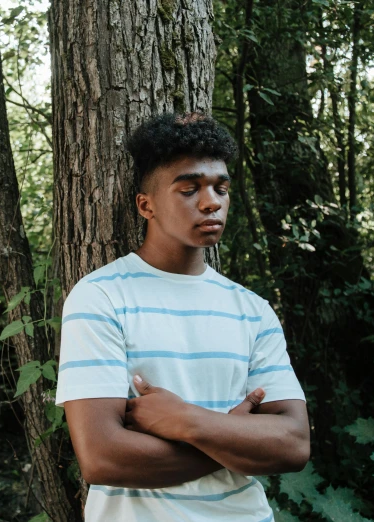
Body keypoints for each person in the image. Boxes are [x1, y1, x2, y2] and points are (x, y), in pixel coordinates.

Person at [55, 112, 310, 521]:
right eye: (189, 189)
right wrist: (232, 436)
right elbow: (103, 459)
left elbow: (294, 445)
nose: (211, 202)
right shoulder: (100, 297)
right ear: (146, 205)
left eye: (221, 188)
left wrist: (186, 420)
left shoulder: (252, 310)